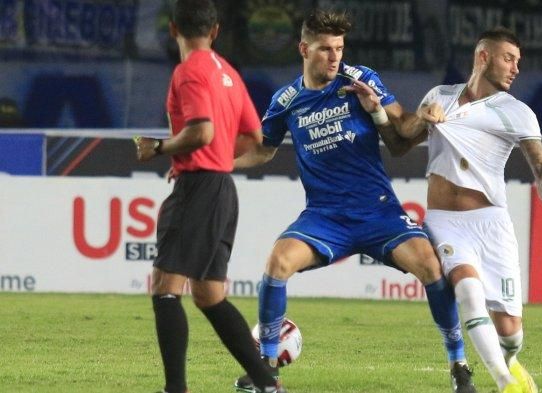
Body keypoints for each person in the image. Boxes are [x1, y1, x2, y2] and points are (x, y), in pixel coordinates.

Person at [233, 9, 475, 393]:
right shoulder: (286, 100)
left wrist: (424, 117)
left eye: (339, 49)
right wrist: (218, 164)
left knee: (430, 265)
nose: (335, 58)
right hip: (325, 217)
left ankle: (459, 365)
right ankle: (266, 369)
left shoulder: (359, 79)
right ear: (303, 48)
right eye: (326, 49)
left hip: (379, 211)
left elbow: (400, 128)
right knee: (278, 262)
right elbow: (262, 151)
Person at [397, 28, 542, 393]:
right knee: (467, 290)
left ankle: (510, 361)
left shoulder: (517, 112)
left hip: (491, 224)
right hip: (445, 222)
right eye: (509, 58)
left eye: (518, 61)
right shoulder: (439, 97)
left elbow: (539, 166)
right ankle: (504, 382)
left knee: (510, 330)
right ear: (483, 57)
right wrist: (422, 117)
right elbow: (404, 138)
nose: (516, 68)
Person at [133, 1, 286, 392]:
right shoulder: (228, 72)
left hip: (198, 188)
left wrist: (160, 148)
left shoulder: (189, 71)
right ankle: (267, 384)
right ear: (215, 30)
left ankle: (175, 389)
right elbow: (255, 139)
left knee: (166, 288)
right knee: (209, 294)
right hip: (221, 189)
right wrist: (217, 161)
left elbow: (201, 131)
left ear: (172, 30)